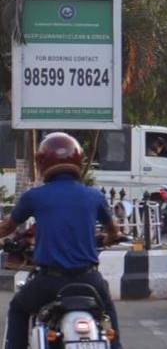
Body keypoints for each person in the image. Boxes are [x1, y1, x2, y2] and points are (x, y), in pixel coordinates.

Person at [0, 133, 123, 349]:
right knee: (108, 309)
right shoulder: (94, 196)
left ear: (42, 162)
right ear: (78, 161)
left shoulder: (35, 196)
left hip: (49, 283)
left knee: (18, 308)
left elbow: (7, 227)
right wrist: (108, 239)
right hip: (89, 280)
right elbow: (113, 231)